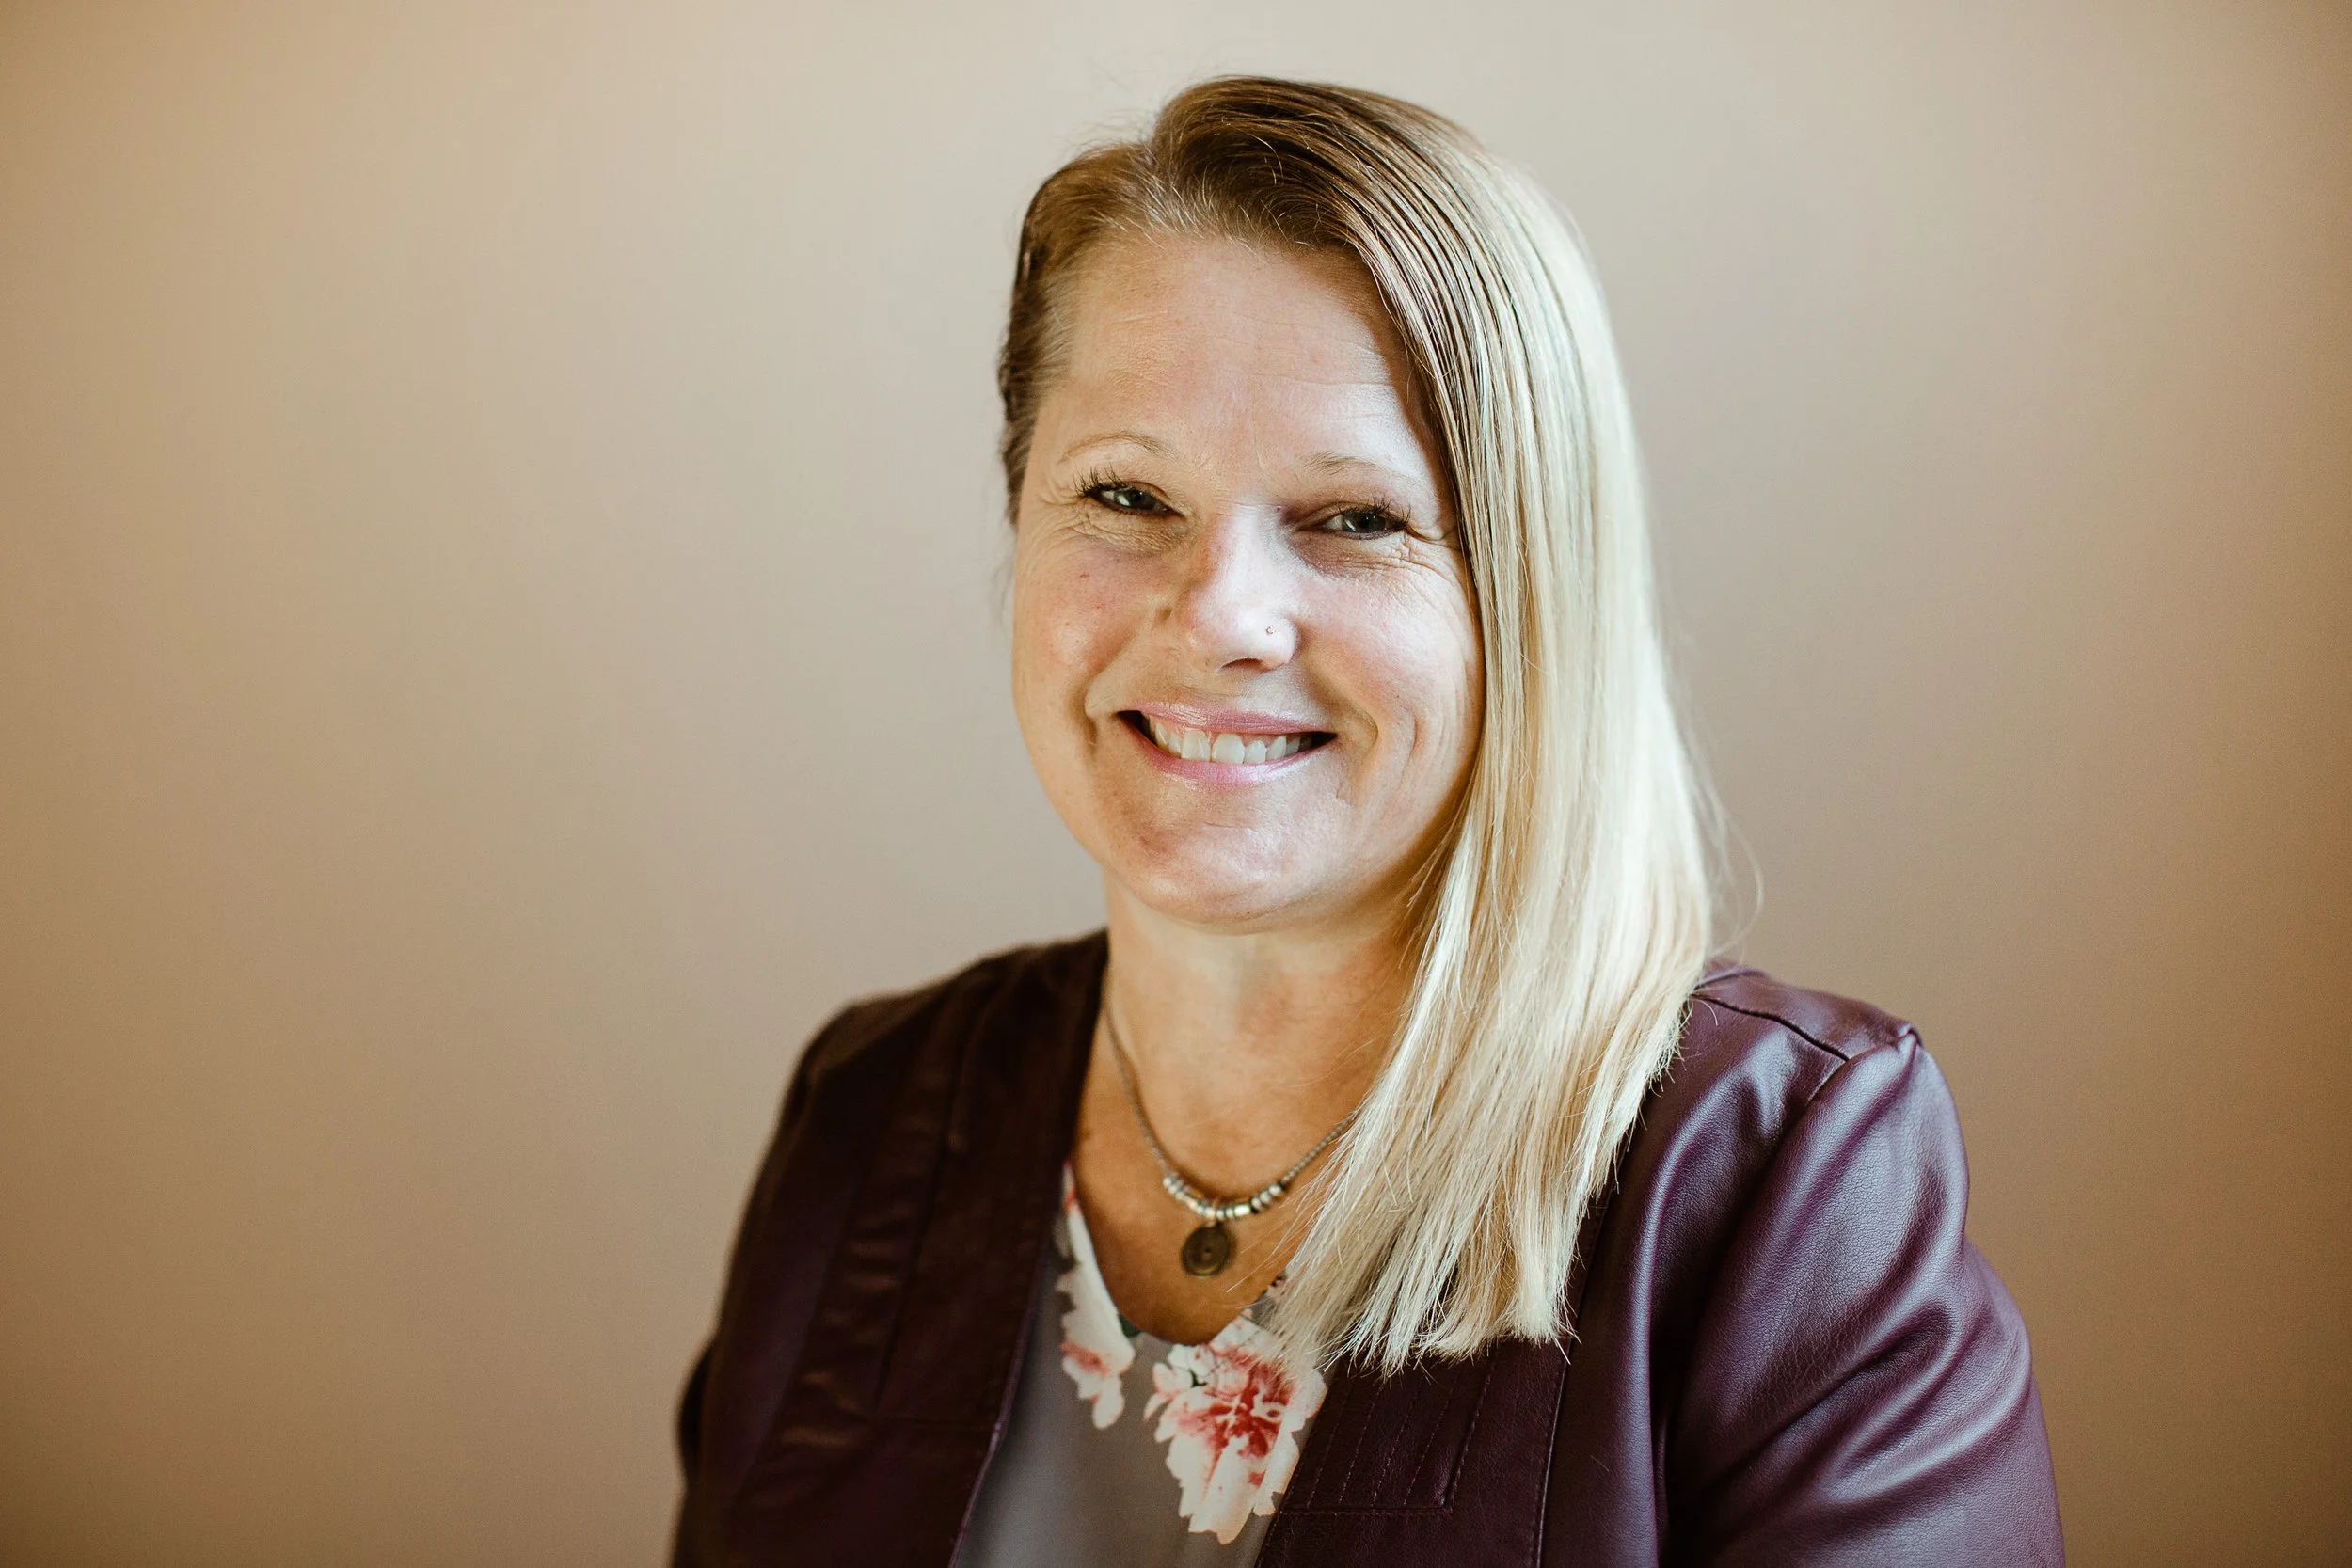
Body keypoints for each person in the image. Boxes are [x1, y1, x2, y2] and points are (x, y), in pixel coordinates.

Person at [670, 76, 2061, 1567]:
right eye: (1129, 493)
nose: (1220, 616)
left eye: (1353, 519)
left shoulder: (1786, 1173)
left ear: (1528, 597)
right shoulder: (871, 1107)